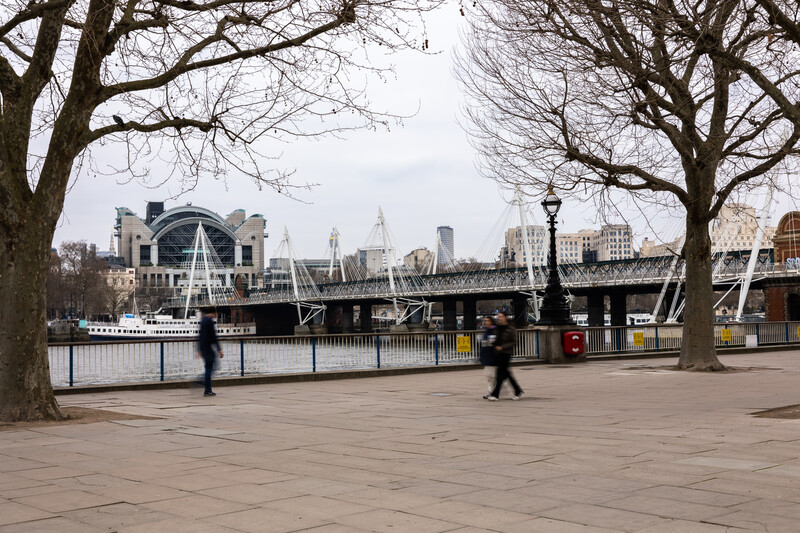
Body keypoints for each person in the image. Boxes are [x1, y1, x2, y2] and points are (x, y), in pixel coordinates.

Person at [487, 312, 523, 401]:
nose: (499, 318)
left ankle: (495, 394)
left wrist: (502, 347)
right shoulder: (498, 328)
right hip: (498, 353)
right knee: (506, 373)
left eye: (501, 316)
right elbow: (496, 339)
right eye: (498, 316)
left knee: (500, 374)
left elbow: (514, 342)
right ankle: (517, 390)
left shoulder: (511, 329)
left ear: (505, 318)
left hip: (506, 353)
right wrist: (493, 344)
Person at [197, 306, 223, 396]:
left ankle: (206, 387)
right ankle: (205, 384)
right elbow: (213, 337)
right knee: (212, 367)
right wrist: (219, 349)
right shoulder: (209, 321)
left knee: (209, 367)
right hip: (208, 348)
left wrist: (199, 349)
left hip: (204, 348)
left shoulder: (203, 320)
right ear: (213, 312)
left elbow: (200, 336)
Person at [479, 316, 497, 399]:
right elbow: (484, 345)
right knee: (489, 376)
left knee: (492, 376)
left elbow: (494, 345)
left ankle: (493, 391)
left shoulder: (494, 331)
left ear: (491, 322)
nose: (486, 322)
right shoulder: (486, 332)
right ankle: (491, 391)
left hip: (493, 357)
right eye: (485, 321)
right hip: (486, 357)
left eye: (487, 321)